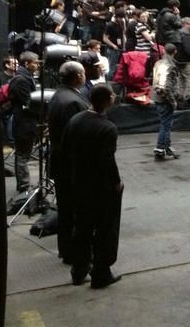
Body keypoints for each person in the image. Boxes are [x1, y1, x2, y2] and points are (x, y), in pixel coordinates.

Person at [61, 84, 123, 288]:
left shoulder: (75, 120)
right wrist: (116, 183)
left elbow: (65, 149)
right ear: (107, 100)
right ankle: (101, 272)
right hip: (101, 188)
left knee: (83, 228)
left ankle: (78, 271)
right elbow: (107, 161)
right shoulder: (108, 128)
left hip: (78, 183)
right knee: (105, 230)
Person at [46, 61, 89, 265]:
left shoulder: (59, 95)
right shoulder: (73, 101)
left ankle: (66, 250)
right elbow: (78, 138)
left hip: (60, 161)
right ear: (79, 76)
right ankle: (74, 253)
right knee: (75, 212)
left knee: (65, 210)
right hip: (72, 166)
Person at [8, 51, 40, 193]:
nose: (37, 65)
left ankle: (24, 185)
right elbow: (28, 103)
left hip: (25, 122)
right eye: (35, 63)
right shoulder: (21, 80)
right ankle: (24, 186)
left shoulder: (24, 77)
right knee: (22, 155)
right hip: (23, 123)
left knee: (23, 154)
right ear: (26, 64)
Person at [151, 43, 180, 160]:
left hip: (157, 98)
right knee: (166, 125)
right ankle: (160, 147)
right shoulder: (170, 66)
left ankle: (166, 147)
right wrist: (173, 101)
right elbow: (166, 87)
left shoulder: (158, 63)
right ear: (175, 52)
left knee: (166, 124)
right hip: (165, 99)